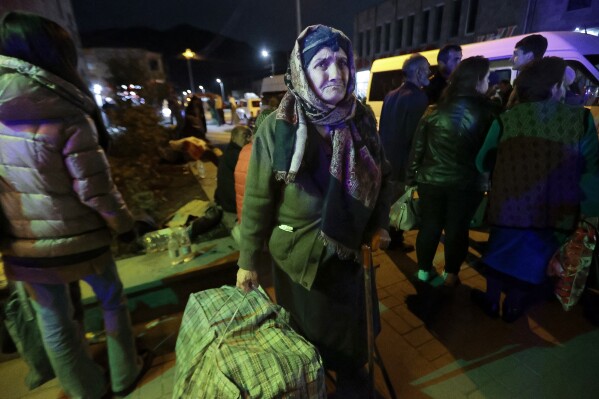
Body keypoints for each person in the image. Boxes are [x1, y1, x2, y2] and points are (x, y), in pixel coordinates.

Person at [235, 25, 393, 396]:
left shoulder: (361, 118)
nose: (334, 73)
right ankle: (316, 380)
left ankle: (352, 377)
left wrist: (380, 223)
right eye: (321, 64)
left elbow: (383, 176)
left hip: (350, 249)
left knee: (354, 328)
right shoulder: (277, 127)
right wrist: (247, 260)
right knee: (309, 332)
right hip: (298, 256)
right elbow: (258, 198)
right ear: (302, 71)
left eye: (341, 62)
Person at [0, 11, 151, 398]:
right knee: (112, 300)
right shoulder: (64, 109)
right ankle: (124, 374)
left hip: (22, 244)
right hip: (82, 238)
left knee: (54, 321)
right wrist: (125, 225)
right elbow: (96, 191)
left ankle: (85, 390)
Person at [474, 57, 599, 322]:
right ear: (554, 87)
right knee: (532, 264)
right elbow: (590, 170)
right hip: (554, 212)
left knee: (498, 257)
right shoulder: (581, 120)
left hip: (508, 207)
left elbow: (481, 160)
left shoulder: (506, 119)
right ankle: (514, 308)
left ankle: (491, 303)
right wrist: (588, 212)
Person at [406, 56, 500, 287]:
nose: (488, 82)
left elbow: (417, 149)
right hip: (468, 184)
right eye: (487, 77)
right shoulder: (490, 112)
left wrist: (412, 178)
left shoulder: (434, 110)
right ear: (478, 80)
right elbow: (493, 153)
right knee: (458, 229)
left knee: (430, 226)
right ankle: (451, 275)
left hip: (431, 180)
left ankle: (424, 272)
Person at [379, 53, 430, 250]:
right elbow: (416, 137)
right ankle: (394, 239)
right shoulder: (418, 97)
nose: (429, 74)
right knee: (400, 202)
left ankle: (389, 236)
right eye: (426, 70)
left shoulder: (391, 95)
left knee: (390, 199)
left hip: (388, 157)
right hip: (404, 160)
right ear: (417, 72)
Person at [214, 125, 252, 228]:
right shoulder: (237, 155)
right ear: (233, 137)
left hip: (226, 201)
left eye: (249, 135)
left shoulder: (230, 152)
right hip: (233, 205)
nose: (248, 139)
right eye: (245, 135)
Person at [505, 33, 548, 109]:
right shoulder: (543, 79)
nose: (511, 59)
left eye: (516, 54)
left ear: (529, 56)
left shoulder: (528, 83)